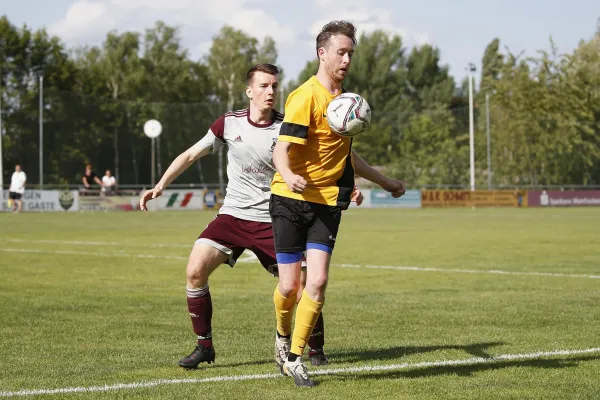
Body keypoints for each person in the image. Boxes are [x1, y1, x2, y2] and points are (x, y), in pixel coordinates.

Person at [139, 64, 362, 370]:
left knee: (300, 284)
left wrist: (348, 185)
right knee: (194, 271)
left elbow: (337, 155)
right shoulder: (228, 124)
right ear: (249, 91)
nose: (271, 92)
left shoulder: (288, 125)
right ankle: (204, 346)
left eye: (274, 86)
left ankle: (315, 348)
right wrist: (160, 185)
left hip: (275, 217)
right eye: (264, 86)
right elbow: (191, 154)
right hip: (232, 216)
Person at [270, 20, 406, 387]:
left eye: (351, 53)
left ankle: (295, 358)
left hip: (327, 202)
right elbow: (281, 150)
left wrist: (384, 181)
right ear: (322, 53)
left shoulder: (348, 104)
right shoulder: (304, 97)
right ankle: (281, 339)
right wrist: (290, 174)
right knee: (289, 288)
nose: (346, 59)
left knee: (318, 281)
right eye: (341, 52)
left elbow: (348, 156)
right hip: (288, 198)